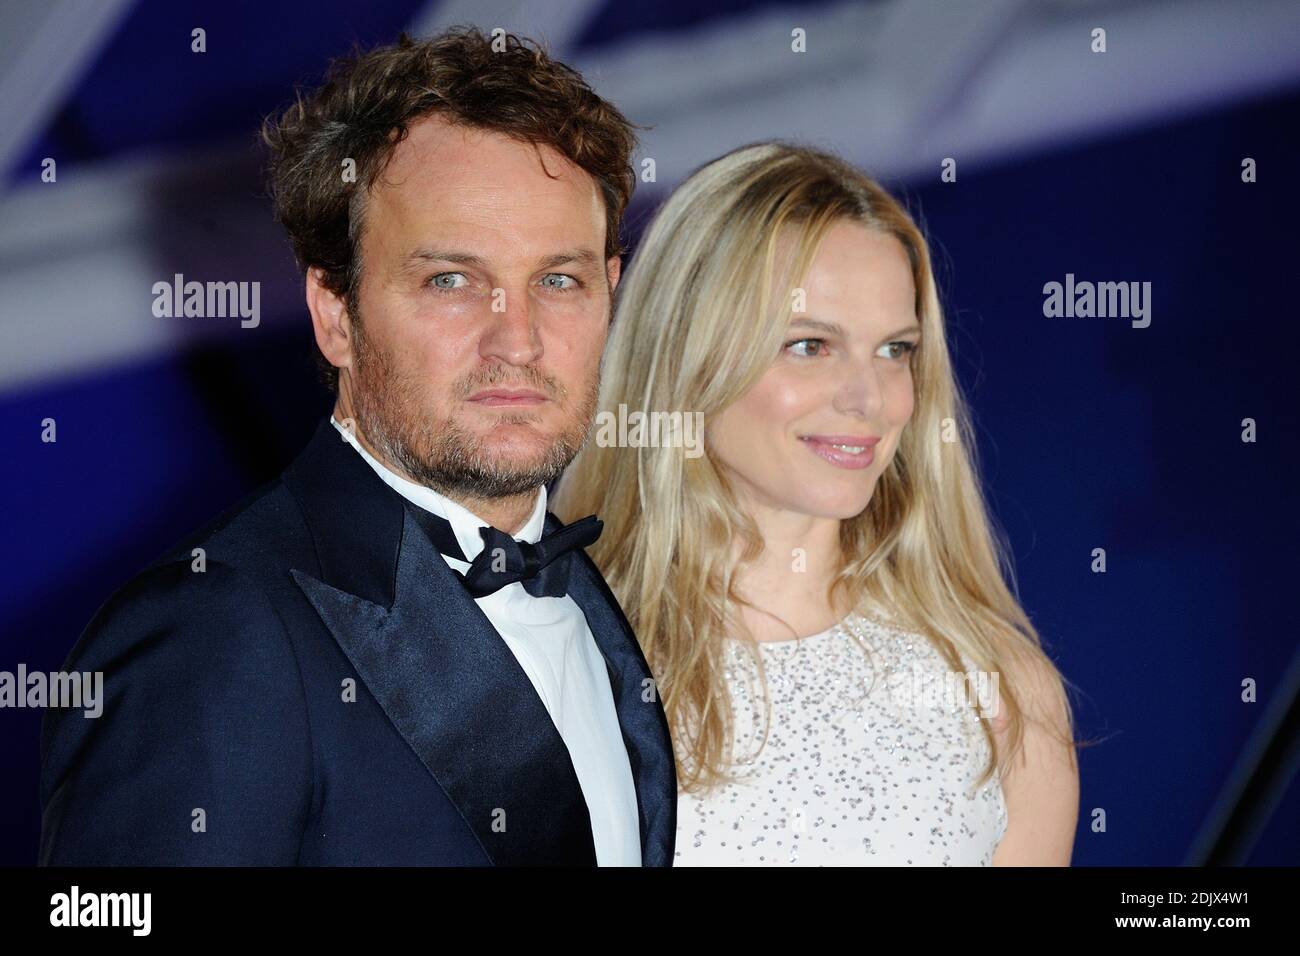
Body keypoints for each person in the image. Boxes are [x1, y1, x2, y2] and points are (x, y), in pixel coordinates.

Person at [38, 28, 675, 866]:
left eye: (559, 280)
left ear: (610, 292)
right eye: (451, 280)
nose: (517, 340)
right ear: (336, 312)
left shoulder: (599, 592)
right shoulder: (211, 634)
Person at [553, 141, 1080, 865]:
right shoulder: (555, 659)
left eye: (895, 351)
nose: (870, 400)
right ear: (690, 354)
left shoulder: (998, 690)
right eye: (810, 346)